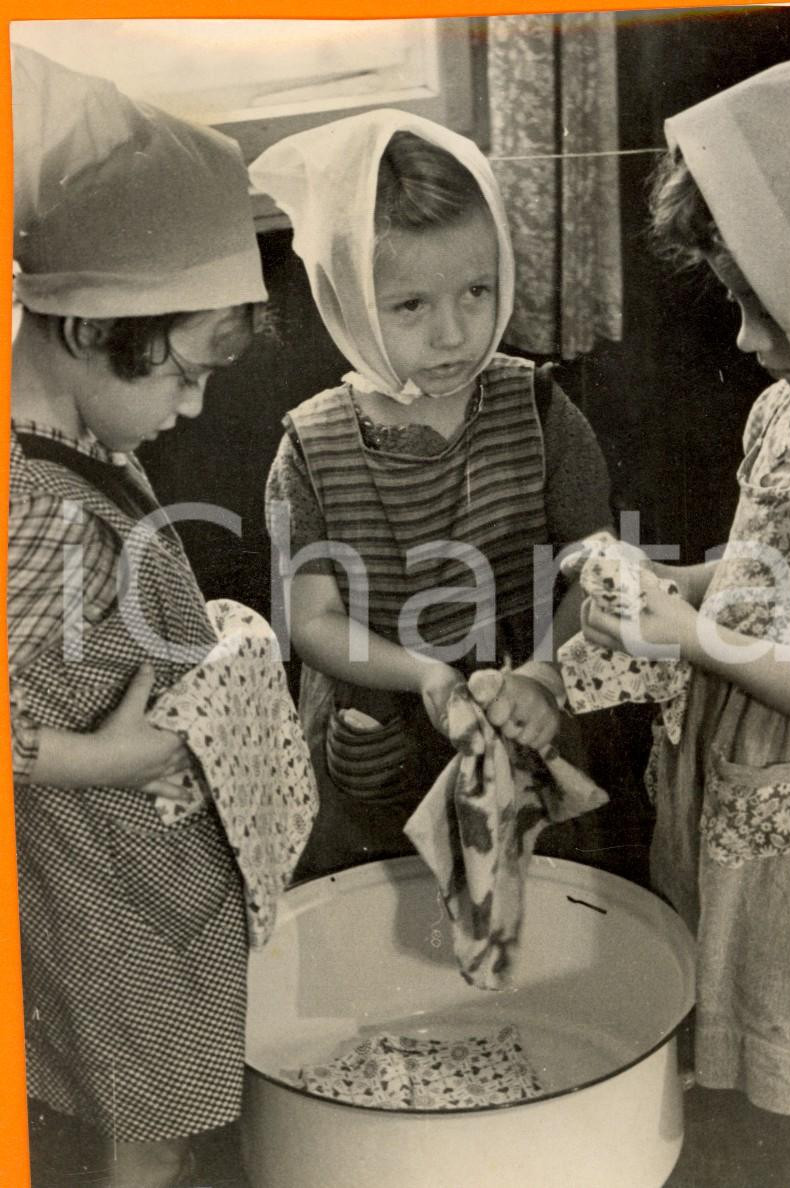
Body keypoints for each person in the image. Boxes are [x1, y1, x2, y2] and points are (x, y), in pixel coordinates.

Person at [10, 47, 271, 1187]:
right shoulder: (27, 503)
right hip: (97, 876)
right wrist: (95, 756)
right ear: (84, 327)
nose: (196, 403)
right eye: (182, 370)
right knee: (139, 1122)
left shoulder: (84, 437)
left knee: (162, 1100)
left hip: (145, 860)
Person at [580, 56, 790, 1164]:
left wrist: (697, 639)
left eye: (757, 305)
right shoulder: (789, 412)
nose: (740, 342)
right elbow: (763, 559)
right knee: (722, 986)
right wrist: (680, 589)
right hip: (729, 765)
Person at [250, 110, 615, 878]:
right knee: (378, 925)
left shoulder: (542, 409)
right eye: (411, 305)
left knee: (530, 905)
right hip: (373, 722)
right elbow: (312, 619)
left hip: (524, 703)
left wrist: (542, 678)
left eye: (475, 292)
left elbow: (598, 573)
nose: (453, 334)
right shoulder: (309, 448)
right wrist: (420, 676)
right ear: (348, 302)